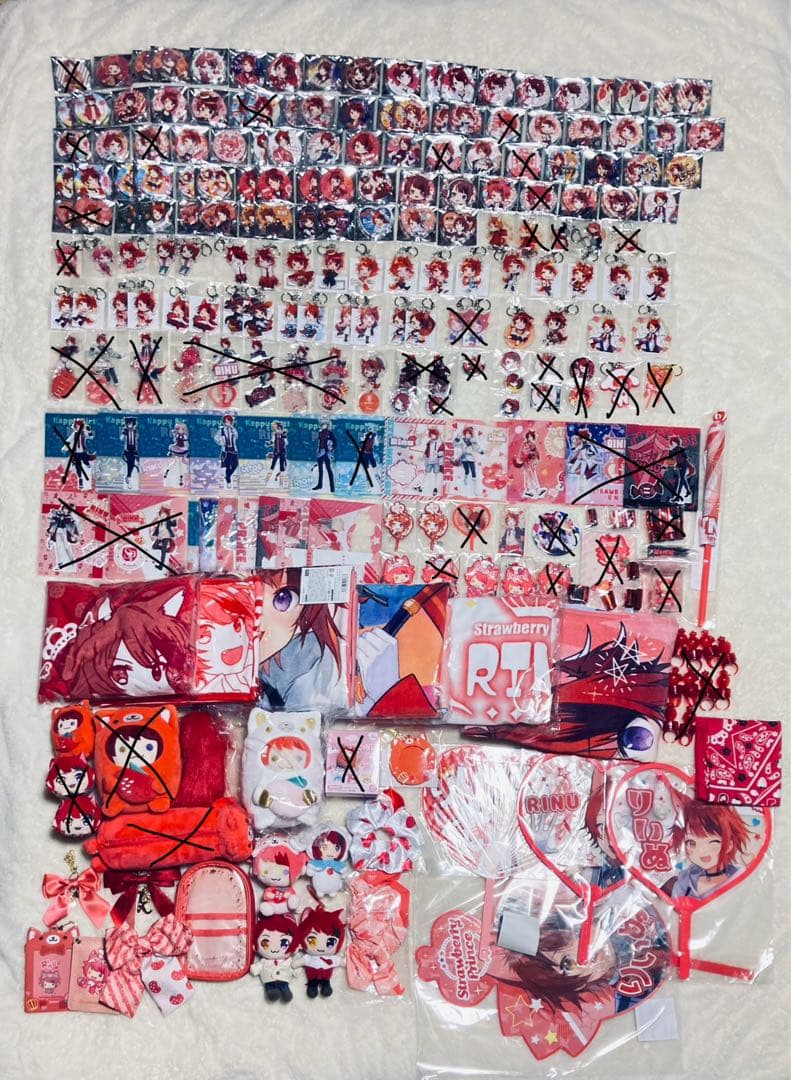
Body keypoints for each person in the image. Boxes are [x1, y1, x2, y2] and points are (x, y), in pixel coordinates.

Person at [313, 420, 337, 493]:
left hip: (326, 453)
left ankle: (332, 487)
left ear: (328, 425)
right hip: (320, 452)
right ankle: (319, 485)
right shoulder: (320, 433)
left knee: (328, 469)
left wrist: (331, 449)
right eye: (323, 424)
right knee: (320, 469)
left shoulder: (330, 433)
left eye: (325, 424)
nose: (324, 425)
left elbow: (335, 443)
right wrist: (318, 450)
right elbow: (318, 442)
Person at [216, 414, 239, 488]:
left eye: (229, 421)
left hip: (233, 449)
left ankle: (227, 476)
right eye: (226, 422)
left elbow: (236, 436)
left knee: (235, 464)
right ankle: (228, 481)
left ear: (231, 422)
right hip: (225, 450)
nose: (227, 423)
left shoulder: (233, 429)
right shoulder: (221, 430)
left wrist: (232, 428)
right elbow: (216, 438)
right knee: (228, 466)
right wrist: (221, 442)